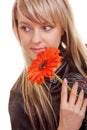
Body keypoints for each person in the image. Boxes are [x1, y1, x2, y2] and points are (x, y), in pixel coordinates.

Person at [8, 0, 87, 130]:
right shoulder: (20, 100)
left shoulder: (84, 57)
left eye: (46, 27)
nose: (35, 39)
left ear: (62, 27)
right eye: (26, 28)